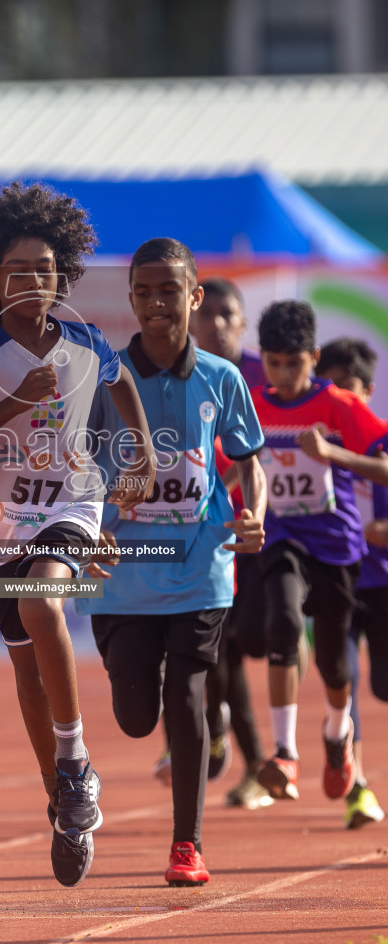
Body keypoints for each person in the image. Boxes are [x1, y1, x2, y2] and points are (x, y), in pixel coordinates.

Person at [0, 182, 155, 888]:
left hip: (72, 506)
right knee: (25, 665)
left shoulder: (86, 340)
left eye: (48, 269)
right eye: (19, 270)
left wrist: (141, 453)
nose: (35, 281)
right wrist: (18, 403)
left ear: (64, 276)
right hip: (1, 522)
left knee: (41, 603)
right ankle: (63, 799)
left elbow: (122, 386)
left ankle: (76, 761)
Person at [82, 238, 267, 886]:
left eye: (170, 291)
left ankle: (186, 844)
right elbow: (74, 465)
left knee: (187, 697)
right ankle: (157, 702)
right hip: (120, 578)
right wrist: (91, 524)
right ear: (131, 299)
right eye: (144, 292)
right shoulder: (103, 379)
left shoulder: (223, 378)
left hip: (202, 566)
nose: (157, 304)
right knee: (136, 718)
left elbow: (247, 460)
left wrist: (252, 512)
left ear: (194, 296)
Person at [252, 301, 388, 804]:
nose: (284, 375)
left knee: (335, 664)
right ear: (262, 359)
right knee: (284, 621)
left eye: (295, 363)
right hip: (283, 534)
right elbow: (233, 467)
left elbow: (384, 466)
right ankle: (284, 752)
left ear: (313, 357)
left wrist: (334, 454)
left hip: (337, 545)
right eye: (273, 363)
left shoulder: (340, 406)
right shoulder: (253, 404)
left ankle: (337, 734)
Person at [154, 277, 272, 811]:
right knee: (201, 652)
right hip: (194, 536)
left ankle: (236, 751)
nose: (219, 324)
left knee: (228, 655)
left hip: (252, 534)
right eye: (212, 314)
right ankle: (211, 743)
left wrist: (229, 501)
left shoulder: (258, 378)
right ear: (194, 317)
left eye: (230, 314)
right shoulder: (176, 372)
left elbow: (257, 459)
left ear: (244, 322)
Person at [315, 337, 388, 828]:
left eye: (351, 389)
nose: (341, 398)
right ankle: (357, 788)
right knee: (345, 680)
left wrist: (375, 532)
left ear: (369, 390)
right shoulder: (313, 447)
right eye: (332, 388)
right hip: (336, 580)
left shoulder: (381, 445)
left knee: (382, 687)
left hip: (382, 584)